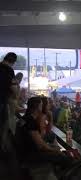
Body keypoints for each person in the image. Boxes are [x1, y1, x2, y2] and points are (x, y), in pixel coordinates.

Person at [16, 97, 73, 170]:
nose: (42, 107)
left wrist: (50, 147)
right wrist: (54, 149)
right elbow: (40, 145)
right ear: (37, 108)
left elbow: (38, 140)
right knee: (64, 158)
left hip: (23, 151)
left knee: (57, 151)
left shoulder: (25, 118)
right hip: (29, 155)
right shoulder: (31, 122)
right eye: (41, 105)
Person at [0, 52, 20, 180]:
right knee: (3, 128)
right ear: (13, 61)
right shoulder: (9, 71)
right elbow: (14, 90)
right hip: (2, 102)